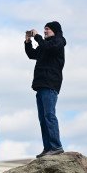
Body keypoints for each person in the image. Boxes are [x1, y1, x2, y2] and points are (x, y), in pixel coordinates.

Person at [25, 21, 66, 158]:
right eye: (44, 30)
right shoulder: (46, 45)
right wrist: (27, 41)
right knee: (43, 118)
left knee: (49, 115)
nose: (44, 31)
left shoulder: (58, 42)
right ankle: (48, 148)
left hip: (50, 84)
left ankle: (56, 146)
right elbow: (32, 54)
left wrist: (37, 37)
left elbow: (47, 47)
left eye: (47, 29)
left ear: (54, 30)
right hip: (41, 85)